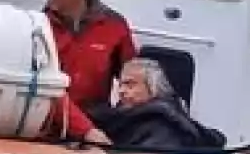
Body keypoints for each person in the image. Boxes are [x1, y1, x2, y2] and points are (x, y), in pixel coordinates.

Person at [41, 0, 137, 145]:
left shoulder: (115, 26)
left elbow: (134, 79)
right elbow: (45, 87)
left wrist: (124, 118)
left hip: (97, 122)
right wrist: (87, 131)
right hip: (48, 125)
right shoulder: (39, 26)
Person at [89, 58, 225, 149]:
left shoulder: (163, 126)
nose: (121, 91)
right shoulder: (127, 118)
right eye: (121, 85)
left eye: (130, 85)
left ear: (153, 89)